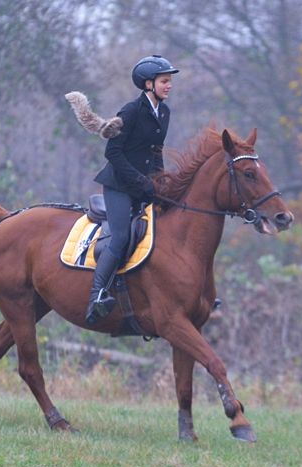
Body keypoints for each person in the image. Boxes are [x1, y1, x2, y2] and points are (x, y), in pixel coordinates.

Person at [87, 55, 178, 325]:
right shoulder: (131, 111)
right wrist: (141, 182)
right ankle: (97, 295)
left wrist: (161, 182)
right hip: (118, 186)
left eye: (170, 81)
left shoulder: (164, 112)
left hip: (145, 186)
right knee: (121, 237)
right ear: (148, 84)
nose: (169, 86)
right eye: (164, 81)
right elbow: (112, 152)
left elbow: (156, 153)